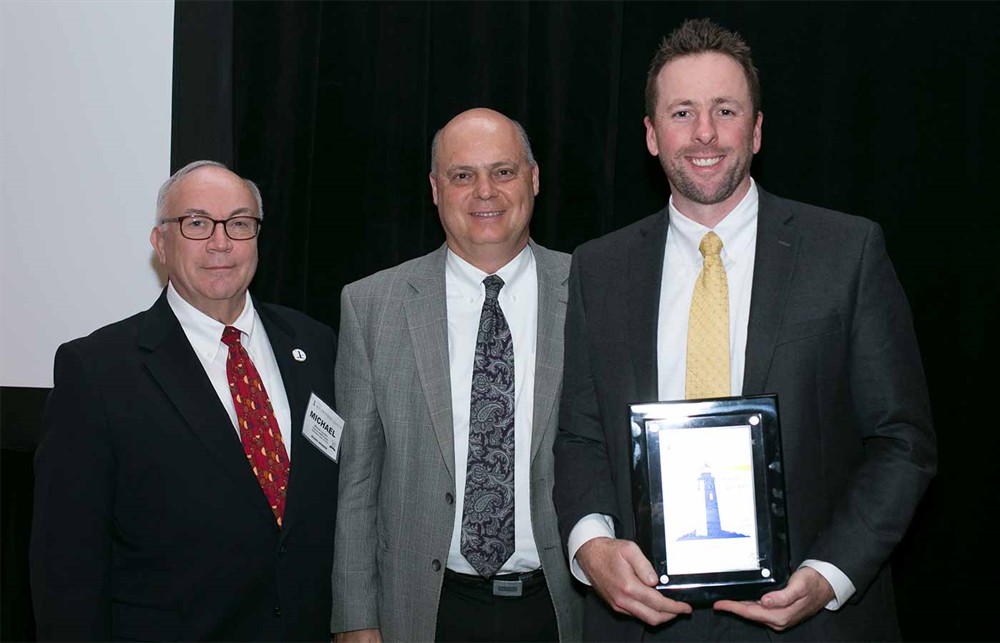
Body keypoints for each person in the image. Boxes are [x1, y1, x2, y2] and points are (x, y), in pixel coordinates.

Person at [553, 18, 936, 642]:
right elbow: (579, 436)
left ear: (756, 129)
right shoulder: (599, 268)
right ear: (651, 136)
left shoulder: (847, 252)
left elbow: (902, 441)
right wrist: (593, 549)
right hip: (644, 622)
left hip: (811, 622)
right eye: (681, 113)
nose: (704, 133)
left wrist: (828, 574)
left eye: (724, 110)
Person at [30, 160, 341, 641]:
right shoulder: (97, 370)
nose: (221, 242)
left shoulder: (317, 346)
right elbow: (67, 564)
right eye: (196, 223)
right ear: (160, 243)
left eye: (239, 223)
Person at [331, 108, 583, 642]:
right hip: (422, 613)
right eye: (462, 175)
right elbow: (356, 481)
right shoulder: (372, 305)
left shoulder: (590, 290)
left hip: (561, 609)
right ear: (435, 188)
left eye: (504, 171)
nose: (484, 192)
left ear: (534, 179)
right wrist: (356, 619)